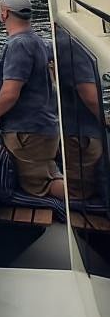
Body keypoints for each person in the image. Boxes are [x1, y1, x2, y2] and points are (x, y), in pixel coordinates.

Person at [0, 0, 61, 197]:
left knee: (40, 186)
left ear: (5, 13)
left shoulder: (19, 44)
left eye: (0, 9)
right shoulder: (38, 41)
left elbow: (10, 92)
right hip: (42, 128)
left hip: (28, 132)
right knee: (50, 175)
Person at [55, 26, 106, 200]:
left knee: (78, 193)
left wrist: (104, 120)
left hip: (81, 136)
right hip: (83, 132)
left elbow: (88, 93)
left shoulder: (70, 43)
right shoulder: (76, 39)